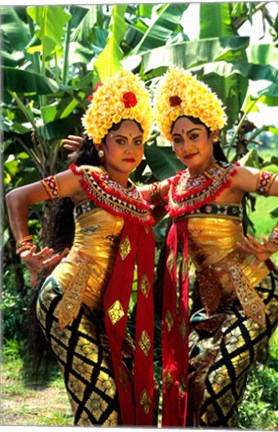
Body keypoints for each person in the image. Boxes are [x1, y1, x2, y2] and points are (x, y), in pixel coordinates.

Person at [5, 70, 158, 426]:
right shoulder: (84, 178)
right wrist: (25, 247)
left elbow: (171, 190)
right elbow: (17, 197)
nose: (131, 149)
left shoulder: (137, 195)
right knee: (101, 400)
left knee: (129, 388)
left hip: (105, 312)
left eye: (138, 141)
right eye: (121, 140)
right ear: (102, 143)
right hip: (65, 300)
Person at [147, 67, 278, 427]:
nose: (185, 147)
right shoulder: (173, 187)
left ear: (213, 134)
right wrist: (94, 154)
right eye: (177, 140)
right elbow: (123, 198)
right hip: (209, 305)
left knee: (215, 386)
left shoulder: (233, 176)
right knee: (192, 388)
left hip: (257, 293)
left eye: (194, 136)